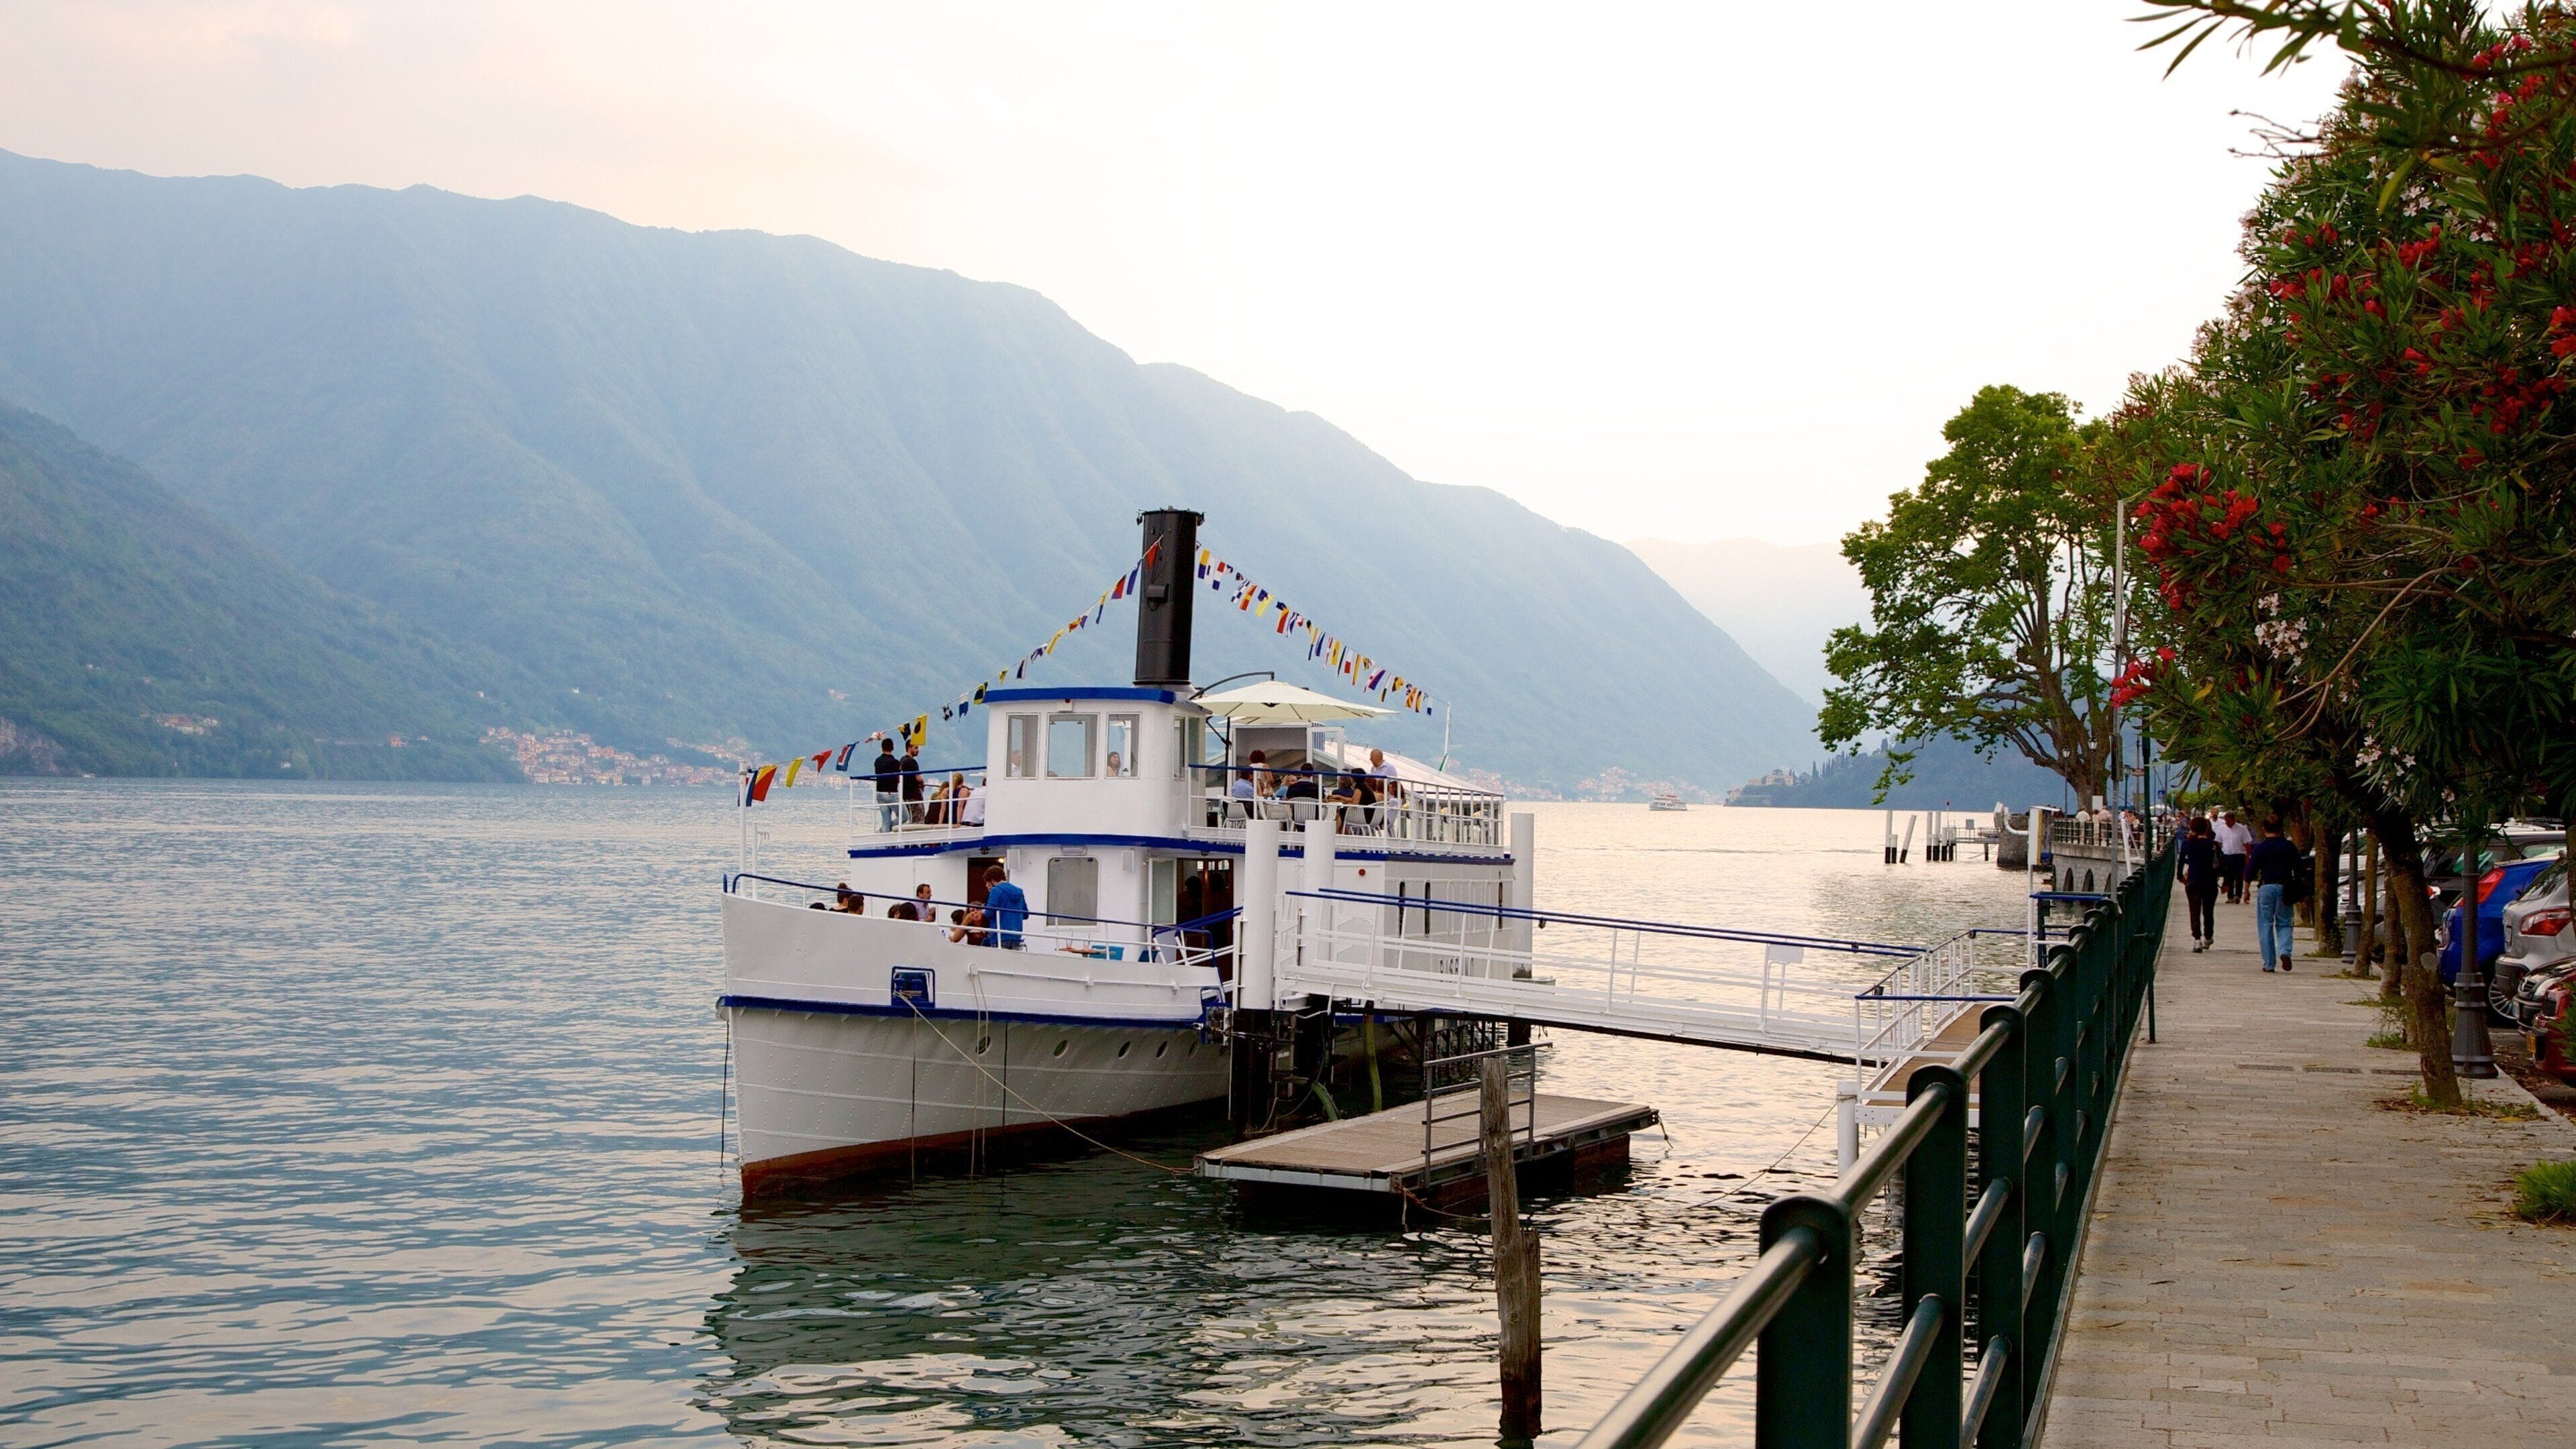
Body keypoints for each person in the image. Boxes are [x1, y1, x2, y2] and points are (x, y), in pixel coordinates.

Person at [2247, 817, 2302, 973]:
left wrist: (2246, 891)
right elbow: (2299, 870)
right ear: (2281, 829)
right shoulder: (2289, 847)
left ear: (2264, 829)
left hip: (2267, 886)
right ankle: (2285, 951)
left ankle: (2269, 964)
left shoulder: (2261, 848)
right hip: (2285, 887)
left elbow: (2250, 871)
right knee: (2284, 923)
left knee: (2265, 925)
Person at [2178, 818, 2220, 952]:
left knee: (2194, 911)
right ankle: (2208, 937)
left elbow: (2180, 862)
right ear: (2207, 828)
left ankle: (2197, 939)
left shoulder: (2187, 844)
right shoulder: (2213, 845)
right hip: (2210, 882)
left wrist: (2180, 876)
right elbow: (2221, 862)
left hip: (2193, 880)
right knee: (2208, 911)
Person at [983, 863, 1028, 949]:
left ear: (992, 880)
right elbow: (1025, 915)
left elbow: (989, 913)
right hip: (1016, 936)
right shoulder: (1019, 891)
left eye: (987, 883)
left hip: (999, 937)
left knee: (999, 962)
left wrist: (983, 911)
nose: (986, 885)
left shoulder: (996, 890)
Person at [2214, 810, 2253, 904]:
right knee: (2229, 876)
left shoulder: (2242, 829)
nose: (2228, 823)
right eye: (2226, 821)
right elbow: (2218, 842)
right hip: (2227, 855)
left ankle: (2238, 895)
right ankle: (2230, 896)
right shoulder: (2222, 829)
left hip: (2239, 855)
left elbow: (2247, 844)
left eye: (2229, 821)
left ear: (2233, 820)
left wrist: (2248, 857)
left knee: (2239, 876)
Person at [870, 739, 902, 831]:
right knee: (904, 817)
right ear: (893, 748)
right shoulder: (895, 762)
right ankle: (882, 830)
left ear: (882, 748)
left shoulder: (877, 761)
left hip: (879, 793)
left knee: (886, 821)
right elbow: (898, 779)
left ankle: (884, 836)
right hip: (891, 793)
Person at [898, 742, 925, 822]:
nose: (918, 750)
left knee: (910, 818)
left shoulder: (902, 760)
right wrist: (923, 784)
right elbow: (919, 778)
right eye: (916, 748)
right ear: (910, 748)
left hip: (905, 795)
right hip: (914, 795)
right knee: (918, 819)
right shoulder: (912, 762)